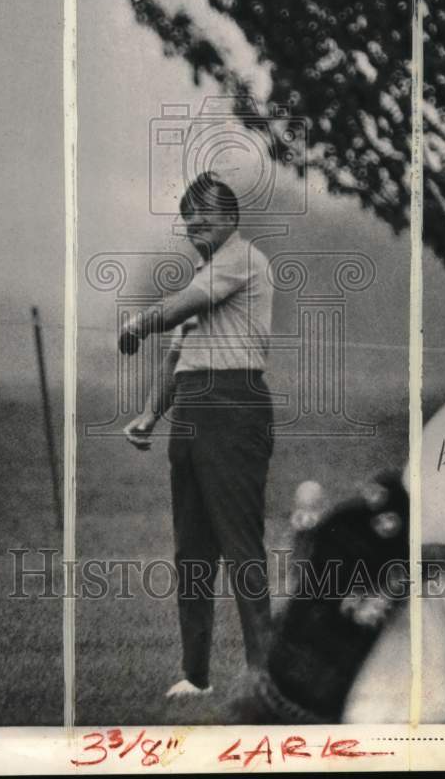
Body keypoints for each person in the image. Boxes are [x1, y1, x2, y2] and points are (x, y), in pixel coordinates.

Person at [119, 172, 275, 698]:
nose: (194, 227)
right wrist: (150, 414)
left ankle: (263, 676)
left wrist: (140, 323)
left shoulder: (242, 257)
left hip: (233, 407)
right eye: (188, 221)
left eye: (204, 218)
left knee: (240, 545)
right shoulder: (206, 274)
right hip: (191, 411)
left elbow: (177, 312)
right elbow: (178, 357)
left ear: (230, 219)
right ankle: (196, 676)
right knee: (192, 551)